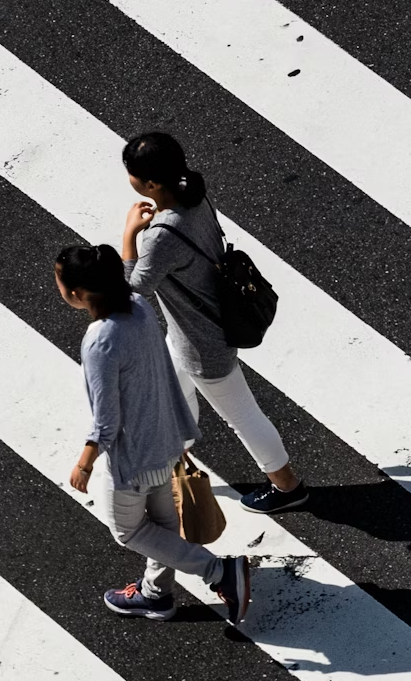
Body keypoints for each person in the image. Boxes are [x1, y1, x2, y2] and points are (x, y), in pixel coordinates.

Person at [54, 244, 253, 626]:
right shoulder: (140, 308)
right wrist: (128, 238)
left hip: (135, 457)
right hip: (167, 440)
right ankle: (156, 595)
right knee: (162, 527)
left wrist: (84, 463)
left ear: (77, 294)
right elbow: (135, 287)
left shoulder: (100, 341)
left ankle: (217, 572)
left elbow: (107, 419)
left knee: (127, 531)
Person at [118, 131, 305, 515]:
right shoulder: (195, 197)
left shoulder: (159, 237)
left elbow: (135, 288)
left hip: (202, 341)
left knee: (243, 416)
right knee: (171, 389)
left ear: (151, 184)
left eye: (132, 174)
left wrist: (130, 235)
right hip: (197, 328)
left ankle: (287, 486)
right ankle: (174, 457)